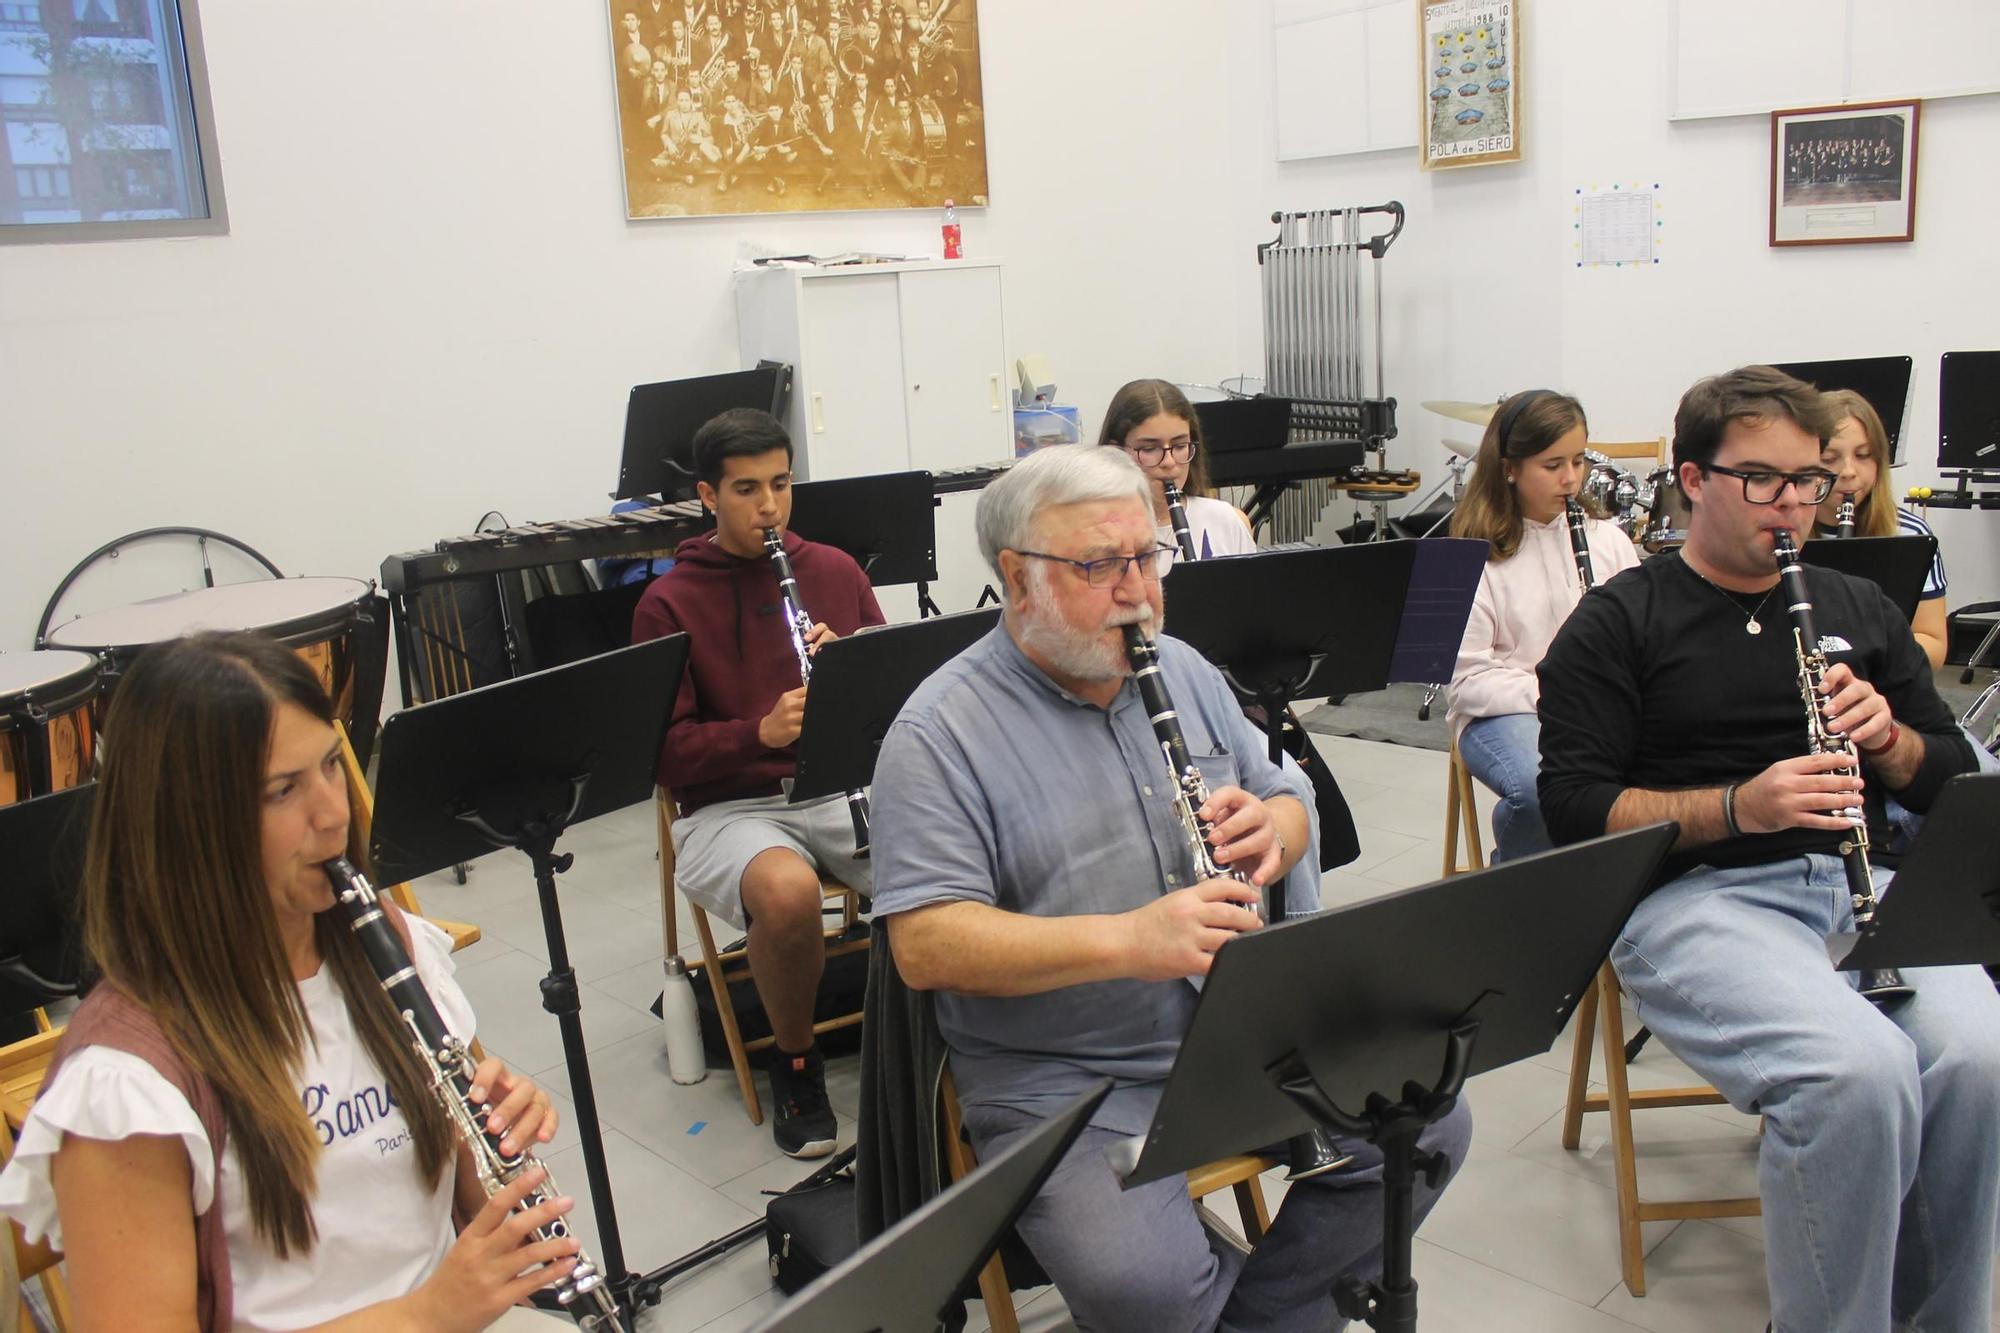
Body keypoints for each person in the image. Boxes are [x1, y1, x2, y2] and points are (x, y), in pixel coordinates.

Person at [870, 445, 1470, 1331]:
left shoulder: (1179, 665)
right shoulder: (936, 732)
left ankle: (1252, 1319)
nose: (1137, 590)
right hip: (1069, 1076)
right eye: (1100, 565)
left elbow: (1287, 793)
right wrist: (1127, 940)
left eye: (1148, 558)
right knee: (1135, 1280)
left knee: (1430, 1127)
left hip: (1242, 1029)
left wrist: (1279, 830)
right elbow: (925, 945)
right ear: (1016, 578)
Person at [1537, 366, 2000, 1333]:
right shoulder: (1619, 621)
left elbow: (1949, 773)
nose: (1795, 504)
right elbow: (1574, 809)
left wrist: (1891, 741)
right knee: (1856, 1075)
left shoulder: (1855, 604)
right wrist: (1736, 806)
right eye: (1764, 481)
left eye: (1809, 481)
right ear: (1692, 478)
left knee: (1981, 1056)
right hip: (1697, 899)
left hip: (1858, 882)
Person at [0, 632, 575, 1332]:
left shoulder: (381, 944)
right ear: (188, 826)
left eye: (333, 764)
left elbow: (448, 1194)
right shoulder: (126, 1084)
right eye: (283, 789)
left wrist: (490, 1128)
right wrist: (427, 1314)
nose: (334, 813)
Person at [632, 408, 883, 1158]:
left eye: (780, 483)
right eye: (746, 490)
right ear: (707, 496)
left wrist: (855, 672)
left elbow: (905, 696)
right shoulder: (668, 602)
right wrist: (758, 733)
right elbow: (663, 759)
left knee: (961, 844)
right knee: (787, 891)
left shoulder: (835, 571)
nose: (769, 506)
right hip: (729, 805)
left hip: (838, 786)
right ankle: (796, 1058)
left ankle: (944, 1035)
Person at [1446, 389, 1639, 861]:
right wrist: (1553, 693)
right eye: (1552, 466)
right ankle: (1519, 897)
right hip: (1506, 712)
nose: (1571, 480)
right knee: (1542, 791)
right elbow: (1466, 681)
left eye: (1578, 461)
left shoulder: (1609, 541)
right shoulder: (1473, 555)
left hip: (1602, 709)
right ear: (1510, 468)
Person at [1809, 388, 1949, 669]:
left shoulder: (1910, 533)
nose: (1848, 471)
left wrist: (1870, 646)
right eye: (1828, 459)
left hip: (1880, 686)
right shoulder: (1779, 531)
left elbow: (1934, 644)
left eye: (1864, 455)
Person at [1095, 378, 1255, 560]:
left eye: (1179, 446)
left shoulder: (1227, 522)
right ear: (1116, 452)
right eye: (1149, 448)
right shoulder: (1094, 533)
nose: (1169, 462)